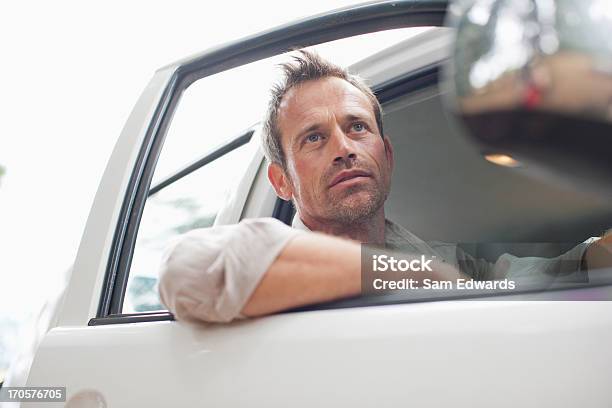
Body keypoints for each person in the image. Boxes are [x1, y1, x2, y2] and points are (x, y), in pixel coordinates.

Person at [158, 50, 607, 324]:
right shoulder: (269, 262)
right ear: (282, 181)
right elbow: (186, 271)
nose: (343, 148)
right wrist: (417, 274)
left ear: (386, 157)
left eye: (357, 127)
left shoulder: (454, 261)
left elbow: (554, 274)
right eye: (314, 137)